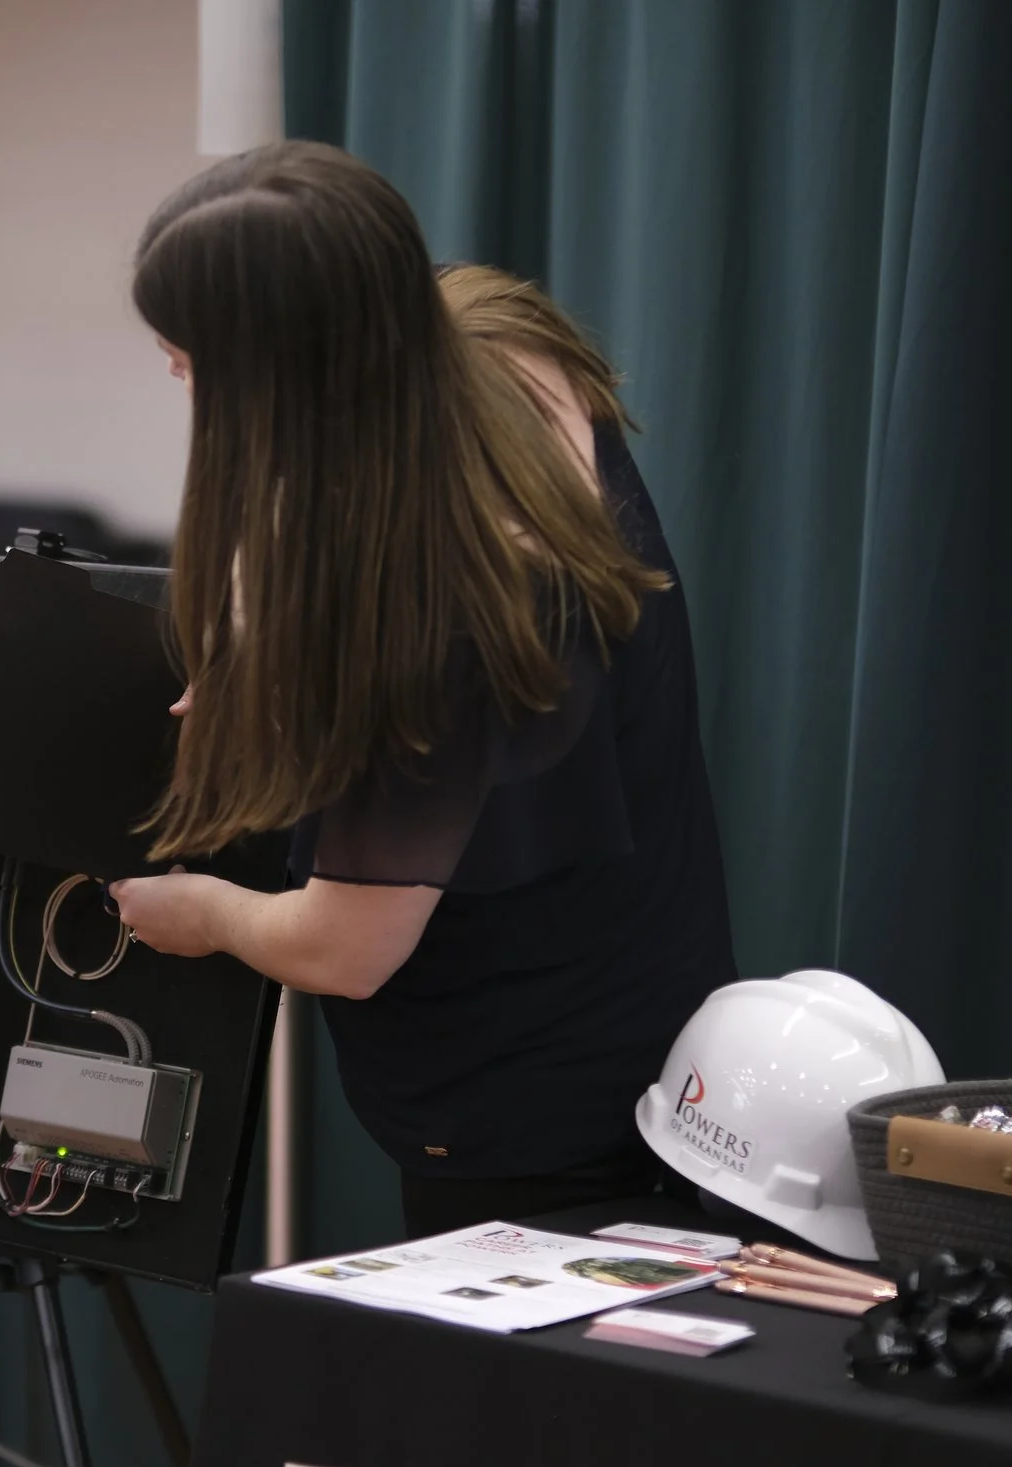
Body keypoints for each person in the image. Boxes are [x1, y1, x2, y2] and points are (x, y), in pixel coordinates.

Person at [107, 144, 736, 1240]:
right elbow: (333, 494)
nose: (175, 375)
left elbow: (344, 948)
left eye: (190, 358)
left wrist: (200, 913)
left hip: (528, 1108)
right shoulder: (488, 338)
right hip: (639, 1010)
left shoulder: (446, 612)